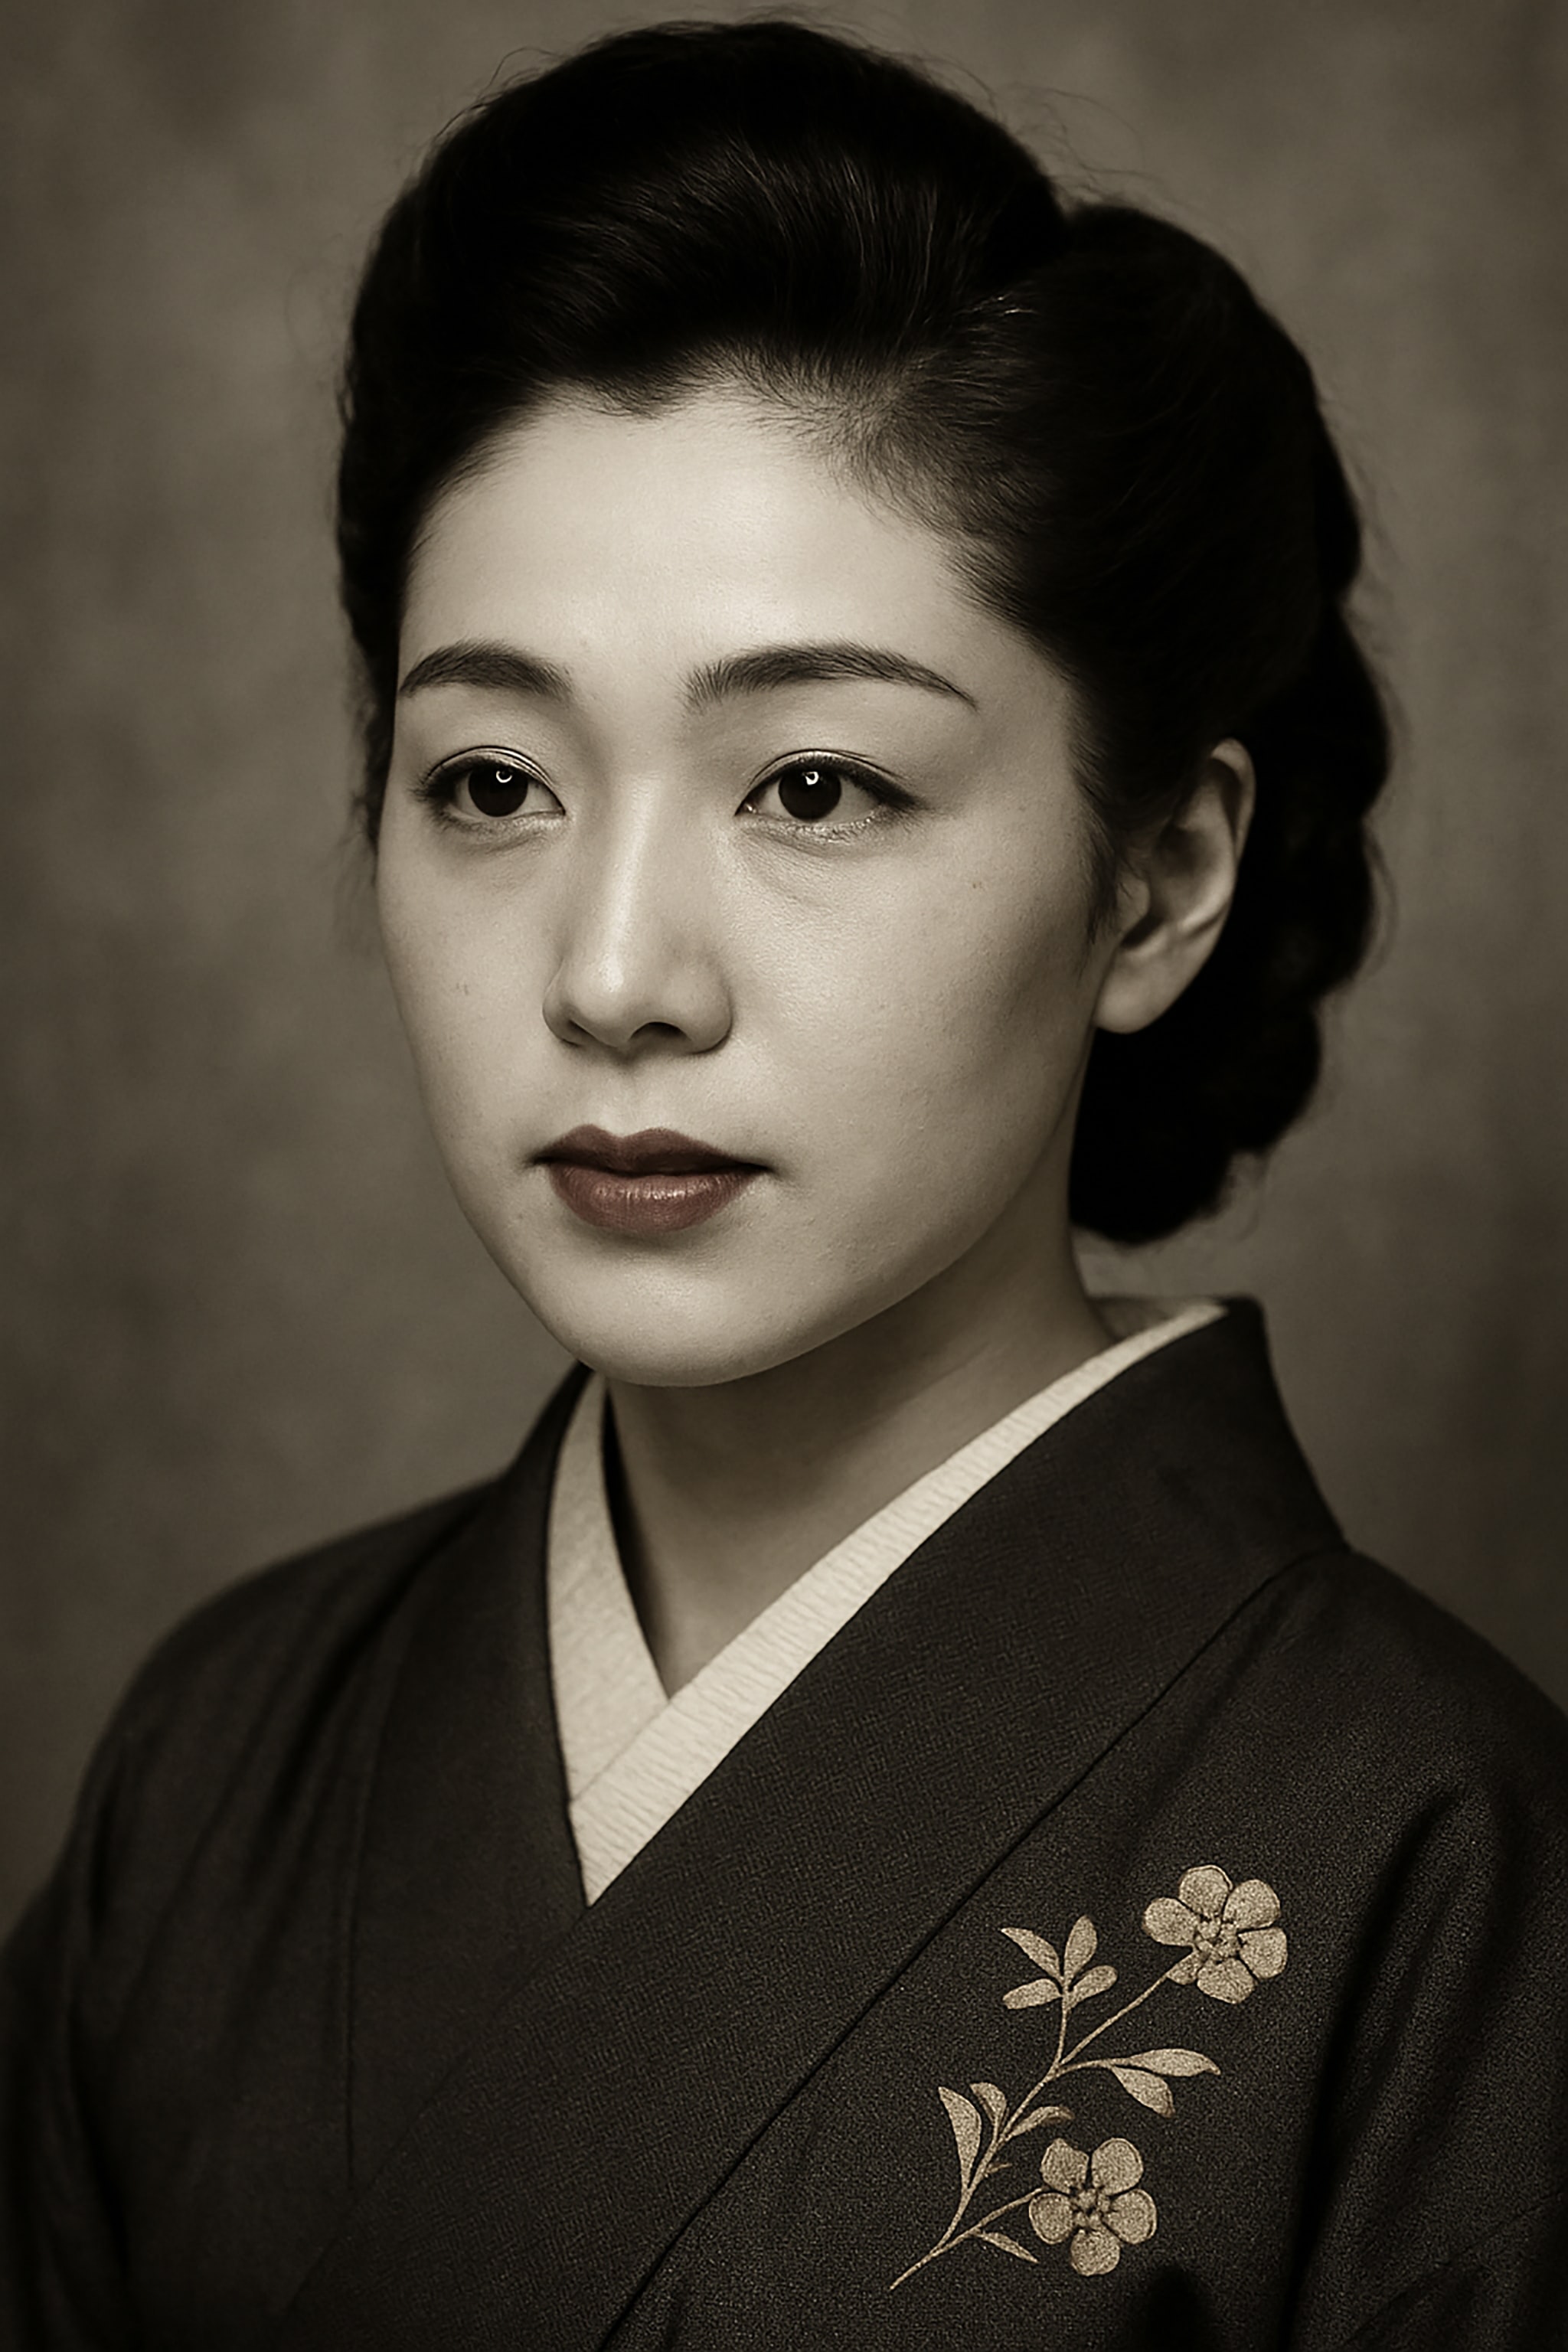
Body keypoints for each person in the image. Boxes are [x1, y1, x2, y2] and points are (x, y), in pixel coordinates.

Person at [3, 18, 1566, 2347]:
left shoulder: (1438, 1872)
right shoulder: (224, 1762)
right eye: (495, 784)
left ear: (1156, 884)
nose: (615, 975)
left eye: (816, 789)